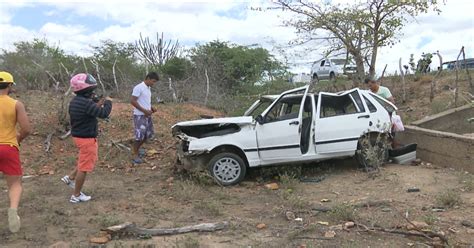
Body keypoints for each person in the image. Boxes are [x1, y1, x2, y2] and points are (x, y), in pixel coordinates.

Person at [61, 73, 112, 203]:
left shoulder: (76, 101)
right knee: (84, 168)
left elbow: (91, 110)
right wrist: (108, 103)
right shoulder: (86, 104)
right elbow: (103, 113)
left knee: (84, 160)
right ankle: (76, 195)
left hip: (78, 136)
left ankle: (70, 177)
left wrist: (98, 103)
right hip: (87, 139)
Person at [0, 71, 31, 233]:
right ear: (10, 85)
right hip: (8, 147)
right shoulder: (16, 104)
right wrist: (16, 141)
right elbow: (26, 129)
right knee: (15, 183)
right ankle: (13, 210)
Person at [130, 72, 159, 164]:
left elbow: (144, 101)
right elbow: (133, 101)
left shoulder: (148, 88)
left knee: (147, 135)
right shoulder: (138, 87)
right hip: (139, 115)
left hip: (147, 115)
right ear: (148, 78)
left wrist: (150, 108)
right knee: (139, 136)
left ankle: (138, 149)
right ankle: (134, 154)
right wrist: (144, 111)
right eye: (153, 81)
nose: (153, 83)